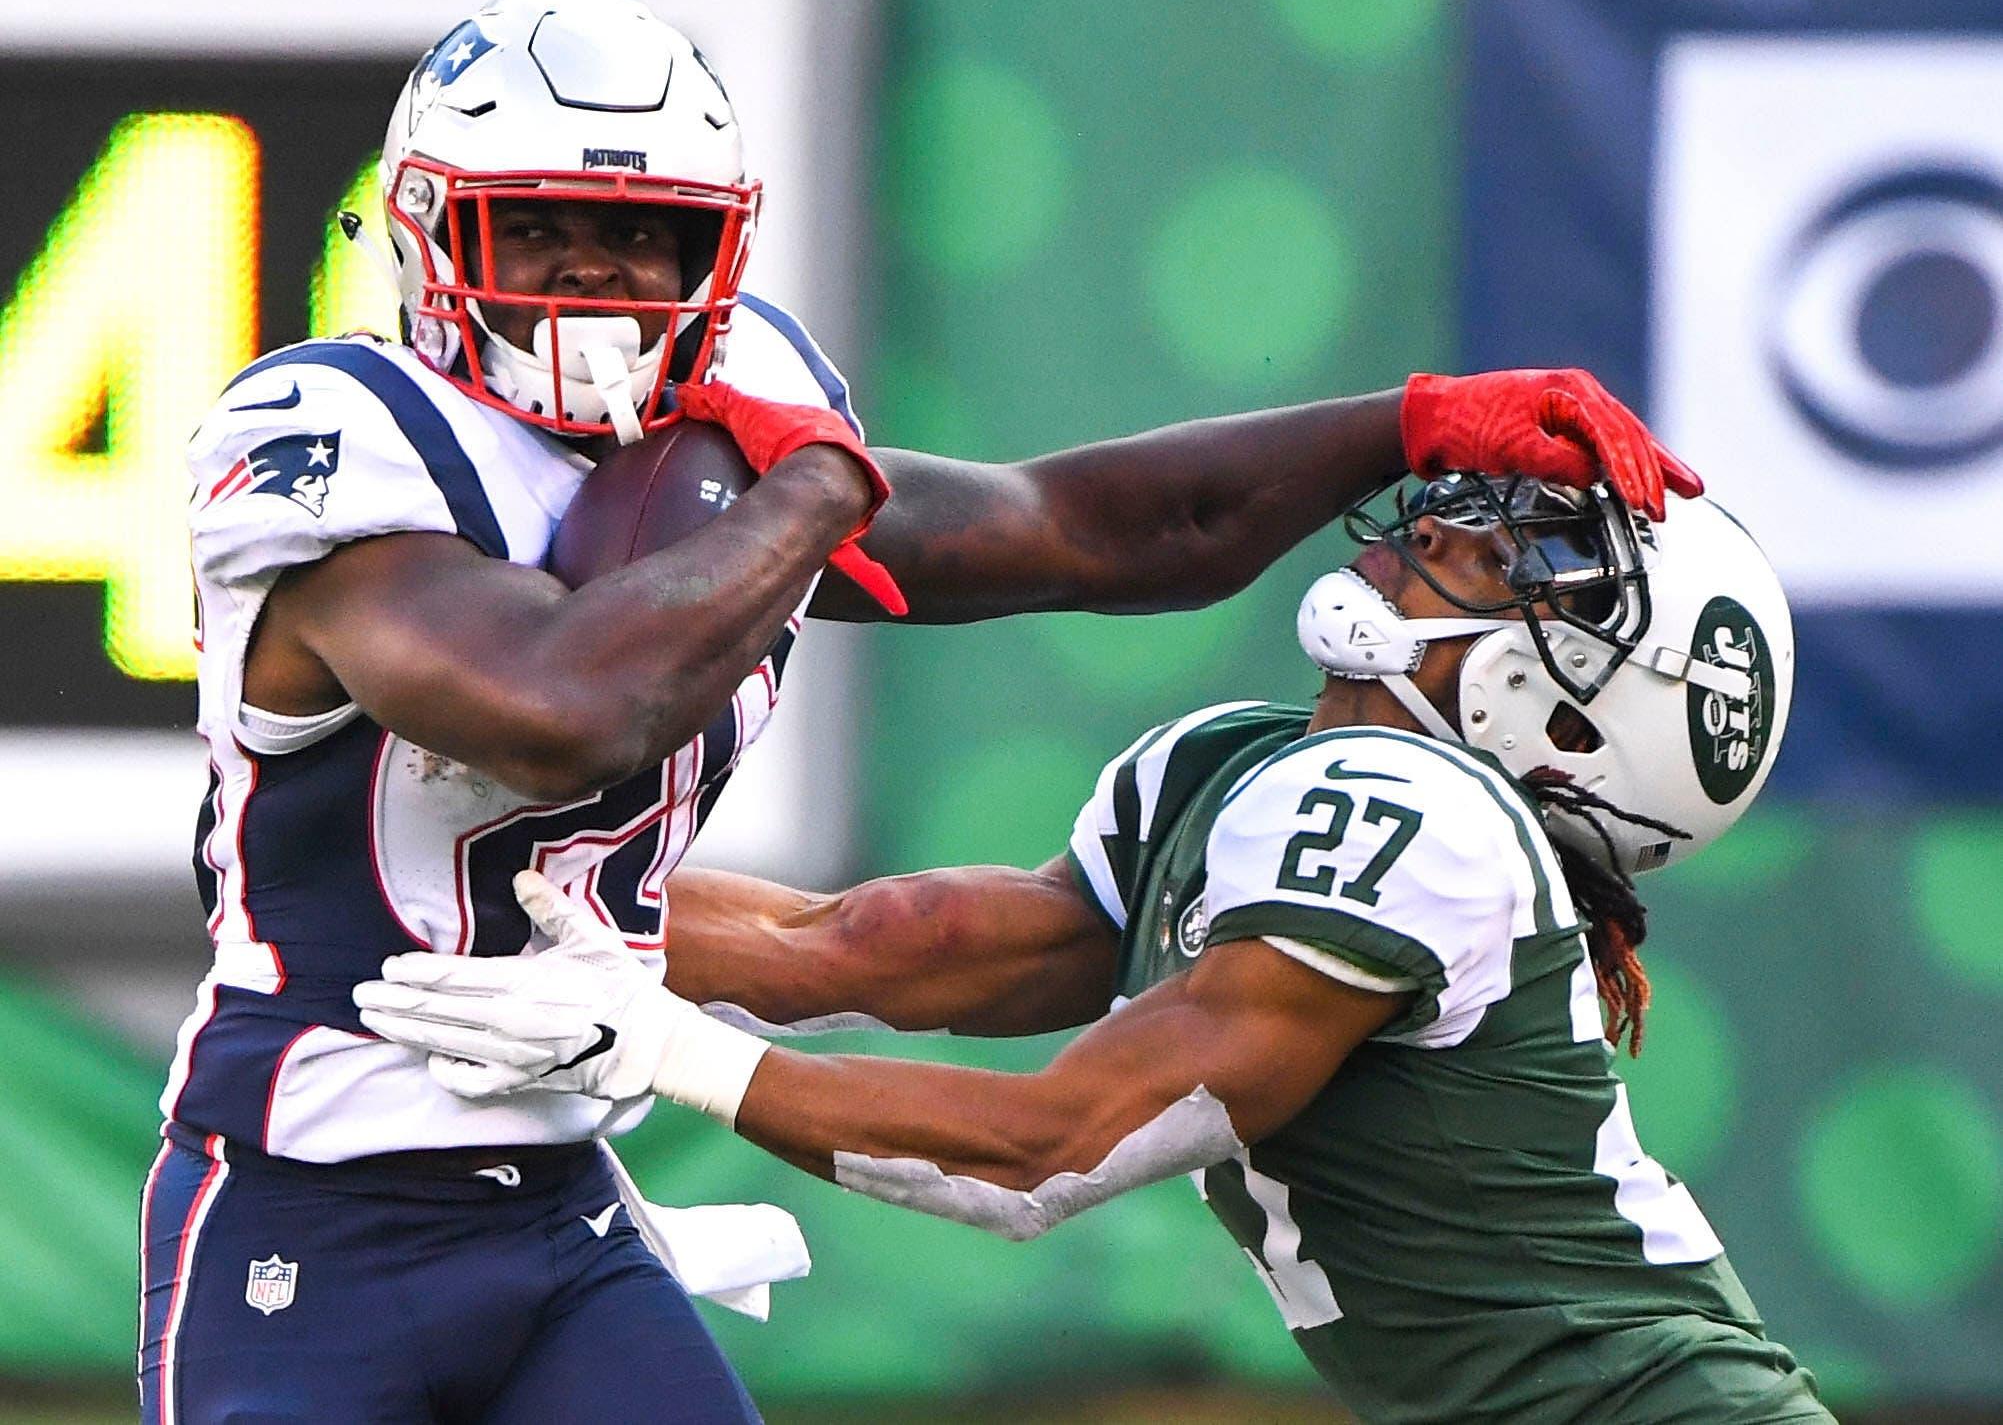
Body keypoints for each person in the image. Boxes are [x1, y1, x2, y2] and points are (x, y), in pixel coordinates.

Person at [145, 0, 1700, 1425]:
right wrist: (815, 477)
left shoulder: (732, 434)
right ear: (431, 230)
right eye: (539, 225)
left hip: (557, 1199)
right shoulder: (339, 431)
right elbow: (562, 710)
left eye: (645, 239)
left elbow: (1084, 530)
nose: (598, 279)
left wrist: (1402, 421)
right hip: (307, 1195)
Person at [360, 473, 1831, 1424]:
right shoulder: (1249, 768)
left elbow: (1043, 1150)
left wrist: (668, 1049)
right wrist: (489, 892)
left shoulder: (1416, 819)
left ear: (1577, 719)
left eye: (1537, 562)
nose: (1443, 530)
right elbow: (893, 944)